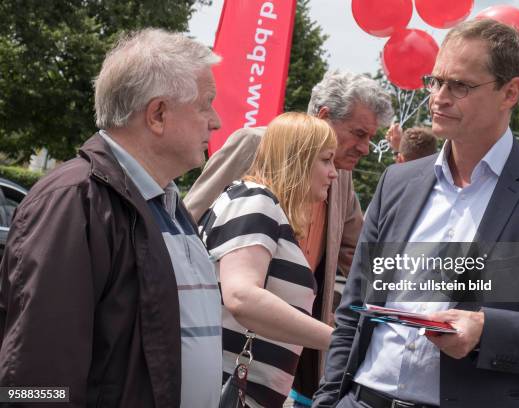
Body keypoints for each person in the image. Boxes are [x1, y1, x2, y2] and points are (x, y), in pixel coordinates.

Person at [313, 19, 519, 408]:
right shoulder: (398, 183)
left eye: (460, 85)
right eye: (435, 81)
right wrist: (329, 399)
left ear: (510, 92)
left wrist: (488, 332)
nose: (438, 97)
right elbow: (355, 308)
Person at [0, 29, 222, 407]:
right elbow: (34, 378)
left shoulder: (166, 203)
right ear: (158, 114)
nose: (215, 121)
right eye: (206, 104)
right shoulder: (74, 202)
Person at [185, 70, 393, 405]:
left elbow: (363, 256)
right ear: (324, 117)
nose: (367, 148)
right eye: (358, 133)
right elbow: (189, 219)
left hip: (279, 364)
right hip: (224, 361)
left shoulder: (340, 178)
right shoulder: (257, 158)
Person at [200, 112, 338, 408]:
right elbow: (242, 296)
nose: (334, 172)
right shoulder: (257, 201)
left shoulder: (261, 205)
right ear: (297, 159)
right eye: (326, 160)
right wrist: (339, 340)